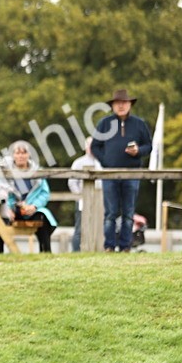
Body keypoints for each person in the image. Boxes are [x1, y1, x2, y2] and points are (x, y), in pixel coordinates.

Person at [90, 89, 152, 252]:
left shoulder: (139, 124)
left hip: (131, 174)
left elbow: (149, 146)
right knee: (110, 212)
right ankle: (109, 246)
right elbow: (95, 146)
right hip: (110, 174)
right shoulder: (104, 123)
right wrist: (105, 162)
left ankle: (126, 246)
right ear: (112, 106)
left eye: (124, 103)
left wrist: (138, 151)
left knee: (128, 212)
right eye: (118, 103)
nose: (121, 106)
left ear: (130, 104)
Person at [0, 141, 56, 253]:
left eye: (24, 153)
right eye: (18, 153)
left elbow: (44, 193)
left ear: (28, 155)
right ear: (13, 156)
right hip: (12, 209)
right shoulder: (5, 172)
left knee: (44, 218)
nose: (21, 156)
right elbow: (0, 192)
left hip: (31, 208)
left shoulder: (37, 172)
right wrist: (7, 208)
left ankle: (46, 252)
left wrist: (34, 206)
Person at [68, 136, 98, 252]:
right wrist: (80, 196)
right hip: (82, 201)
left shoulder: (102, 162)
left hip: (99, 201)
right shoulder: (79, 163)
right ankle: (76, 252)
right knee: (80, 229)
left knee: (98, 227)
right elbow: (72, 182)